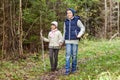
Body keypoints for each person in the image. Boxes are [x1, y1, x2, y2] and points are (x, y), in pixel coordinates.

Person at [63, 8, 85, 75]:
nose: (68, 14)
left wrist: (79, 34)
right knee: (68, 55)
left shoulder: (77, 20)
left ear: (72, 13)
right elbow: (64, 32)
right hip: (67, 41)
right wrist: (62, 40)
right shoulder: (65, 21)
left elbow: (83, 28)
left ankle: (74, 69)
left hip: (75, 40)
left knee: (74, 55)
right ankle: (67, 70)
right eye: (67, 13)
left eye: (69, 13)